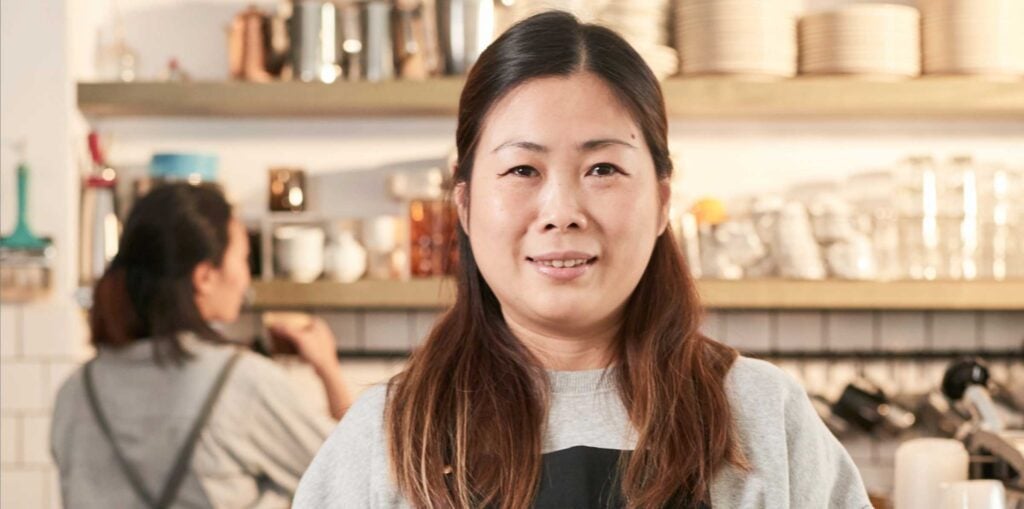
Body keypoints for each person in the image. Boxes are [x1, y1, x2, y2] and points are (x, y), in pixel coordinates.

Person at [295, 11, 871, 509]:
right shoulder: (388, 434)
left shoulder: (761, 413)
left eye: (603, 169)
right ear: (465, 205)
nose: (562, 211)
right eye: (523, 170)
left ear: (663, 200)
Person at [51, 183, 351, 508]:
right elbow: (358, 480)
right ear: (205, 276)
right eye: (243, 259)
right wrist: (327, 369)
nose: (245, 279)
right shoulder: (241, 383)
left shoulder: (76, 392)